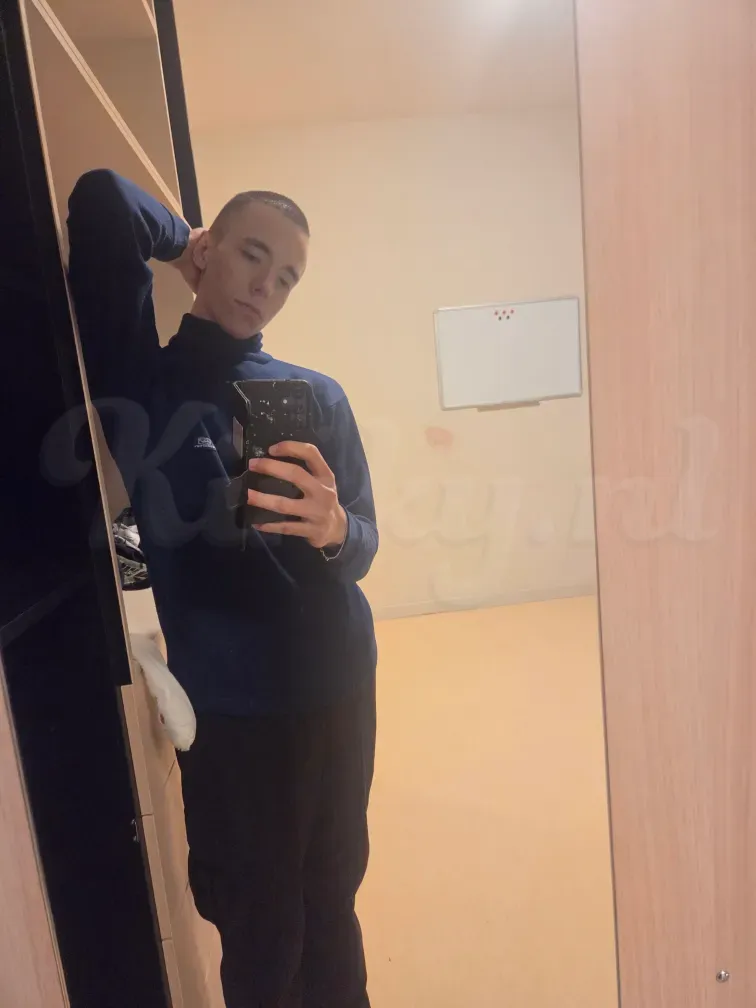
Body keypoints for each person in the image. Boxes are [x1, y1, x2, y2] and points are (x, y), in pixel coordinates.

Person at [67, 169, 378, 1008]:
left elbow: (365, 545)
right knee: (257, 923)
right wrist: (182, 243)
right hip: (233, 708)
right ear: (211, 251)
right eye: (252, 254)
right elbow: (103, 201)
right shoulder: (142, 381)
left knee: (332, 901)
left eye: (288, 276)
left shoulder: (318, 397)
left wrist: (334, 528)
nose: (266, 285)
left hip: (339, 684)